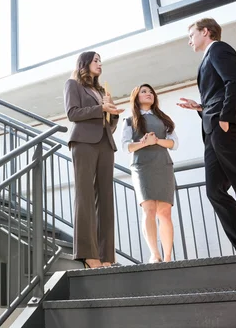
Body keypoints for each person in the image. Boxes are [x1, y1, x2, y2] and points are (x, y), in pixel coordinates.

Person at [177, 17, 236, 254]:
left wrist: (227, 117)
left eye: (191, 35)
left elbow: (234, 81)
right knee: (214, 190)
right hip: (212, 128)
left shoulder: (218, 49)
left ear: (205, 32)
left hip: (225, 126)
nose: (189, 41)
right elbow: (219, 91)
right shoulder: (208, 57)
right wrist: (200, 107)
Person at [64, 51, 124, 268]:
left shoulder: (101, 90)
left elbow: (109, 123)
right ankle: (88, 254)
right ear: (85, 63)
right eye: (96, 60)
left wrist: (113, 113)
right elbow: (73, 113)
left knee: (106, 200)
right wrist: (101, 109)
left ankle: (106, 256)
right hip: (83, 142)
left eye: (101, 61)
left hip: (105, 143)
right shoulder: (73, 84)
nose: (100, 64)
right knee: (85, 196)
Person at [122, 84, 178, 263]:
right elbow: (126, 146)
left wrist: (156, 141)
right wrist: (144, 143)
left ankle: (168, 256)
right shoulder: (130, 120)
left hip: (163, 164)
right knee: (149, 209)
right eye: (144, 92)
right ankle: (155, 254)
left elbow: (174, 143)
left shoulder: (164, 119)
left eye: (151, 92)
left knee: (165, 211)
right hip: (142, 166)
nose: (149, 94)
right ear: (136, 97)